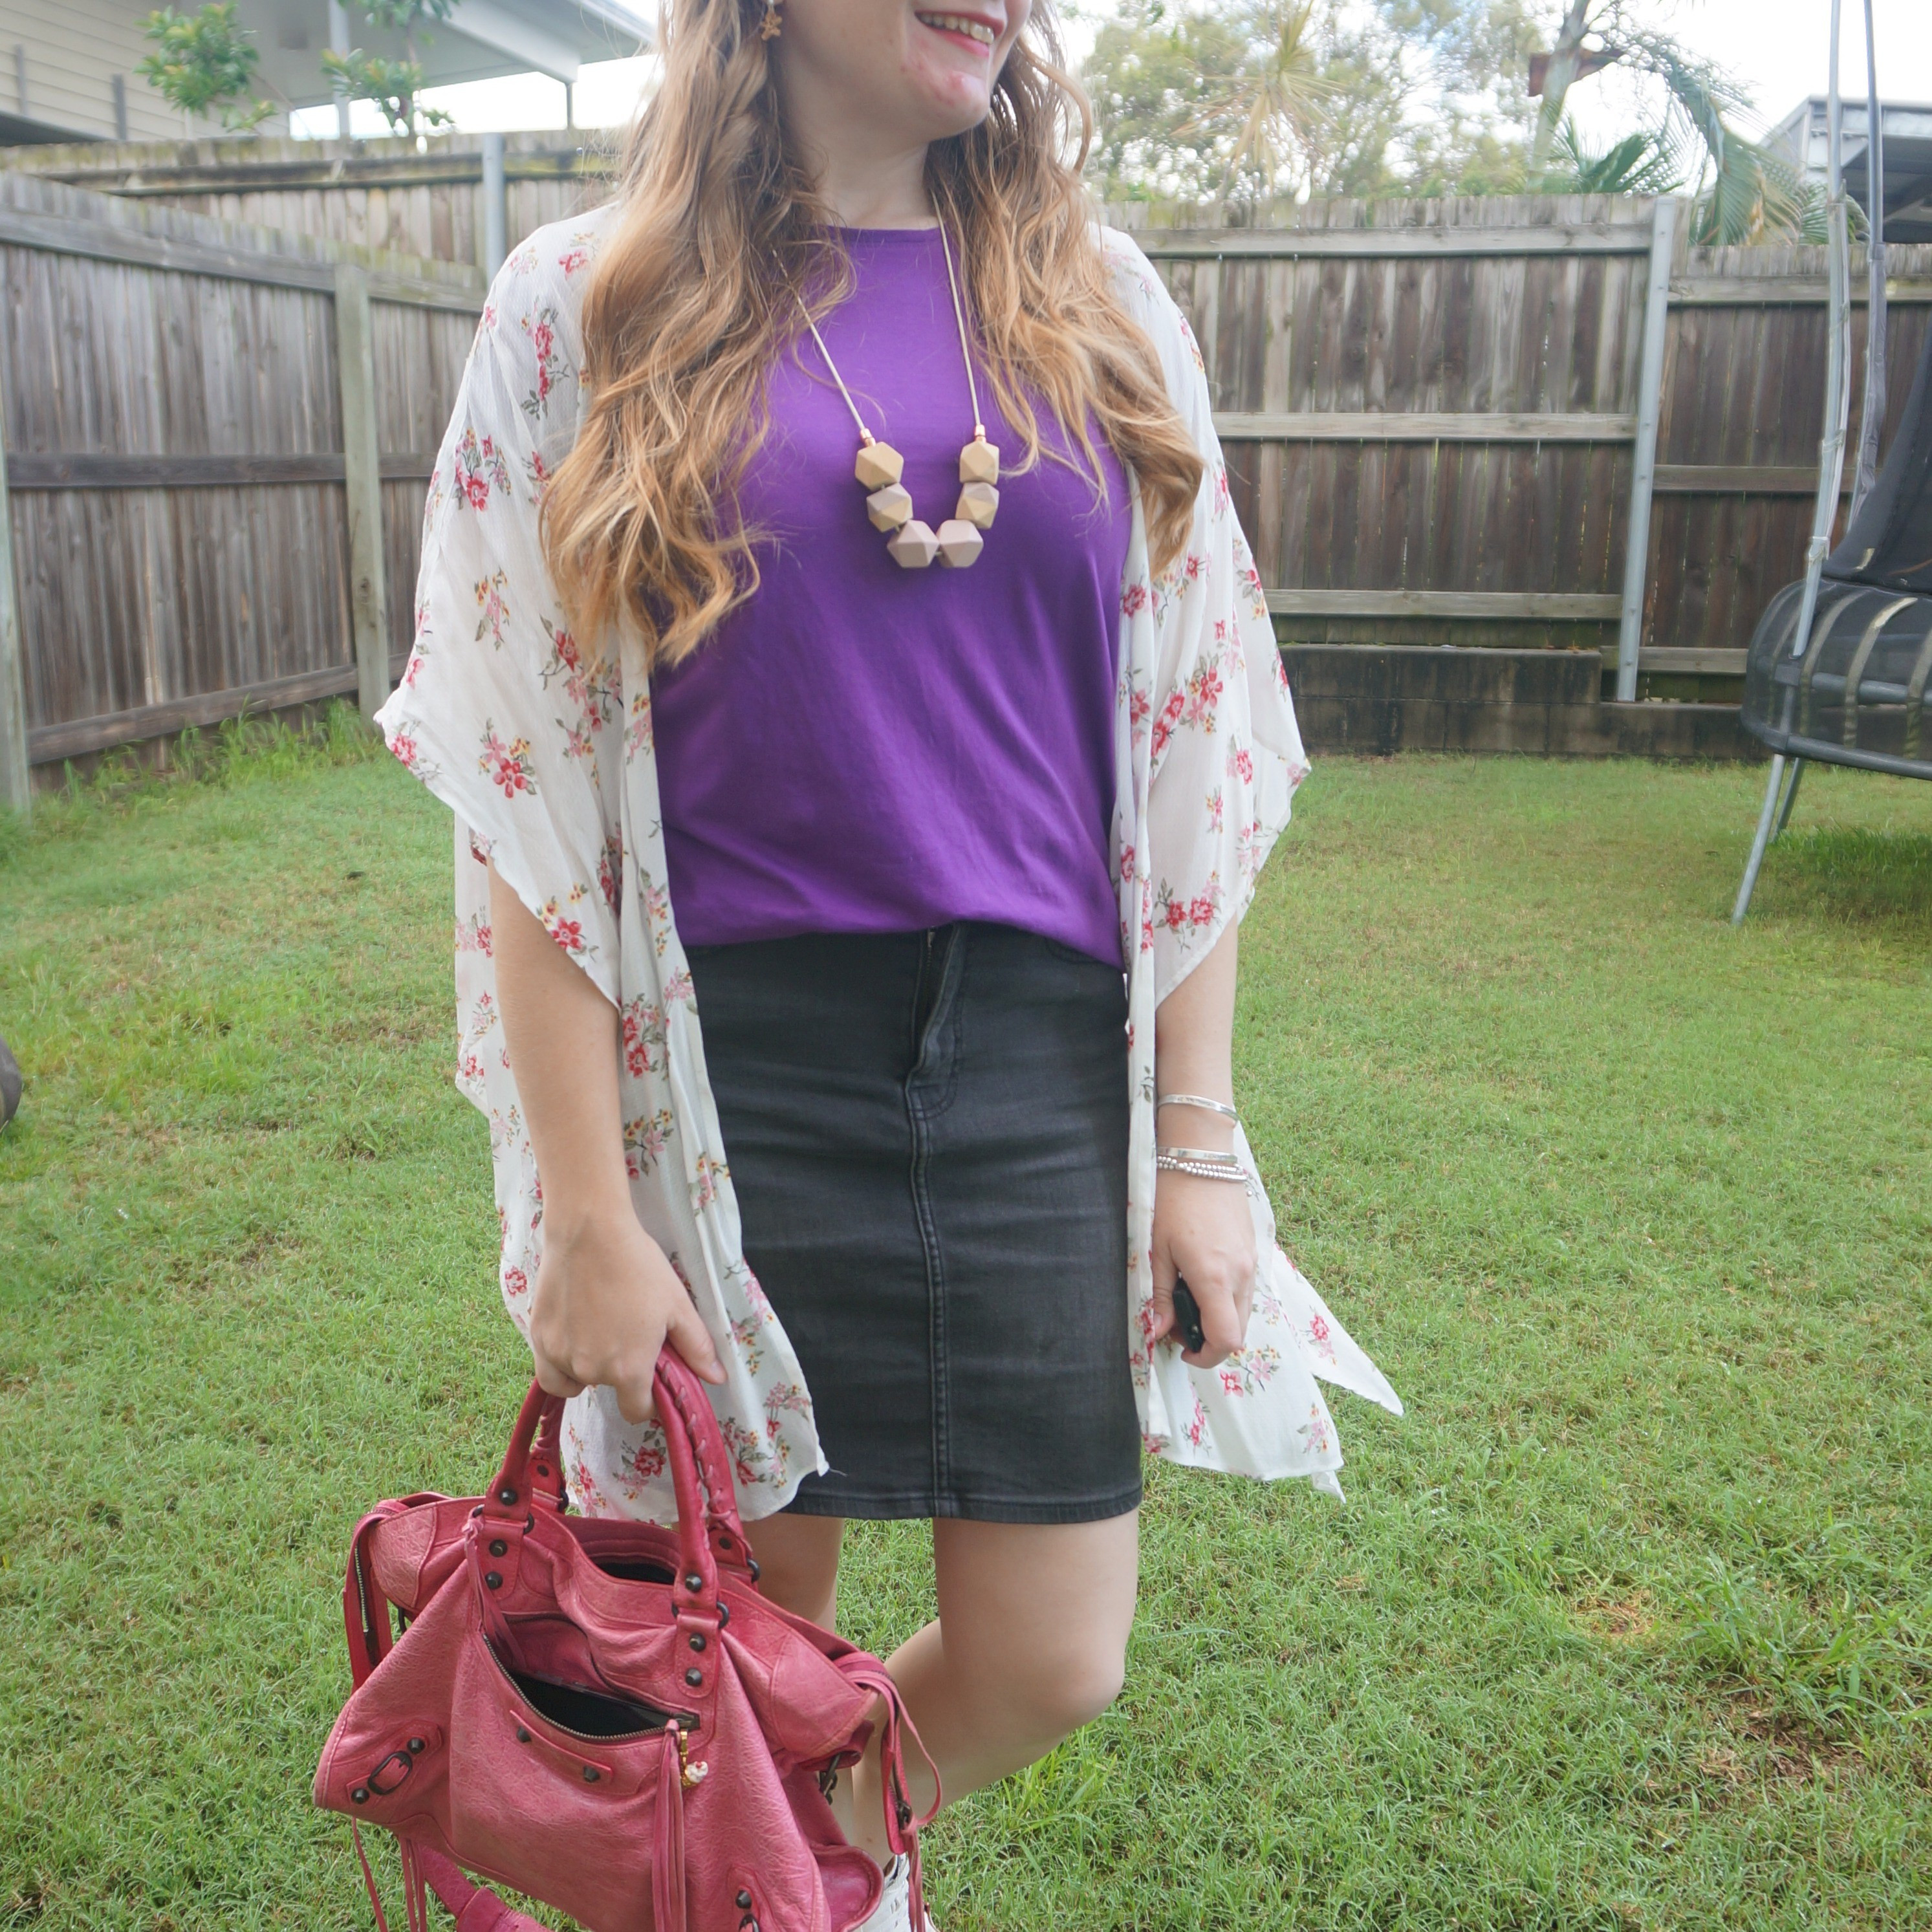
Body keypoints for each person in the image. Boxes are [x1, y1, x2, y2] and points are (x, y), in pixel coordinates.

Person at [376, 0, 1400, 1922]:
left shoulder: (1097, 300)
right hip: (728, 1070)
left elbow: (1194, 738)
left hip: (1031, 1055)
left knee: (1049, 1648)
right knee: (733, 1643)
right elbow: (527, 808)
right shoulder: (582, 301)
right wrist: (589, 1209)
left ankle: (792, 1880)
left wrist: (1194, 1145)